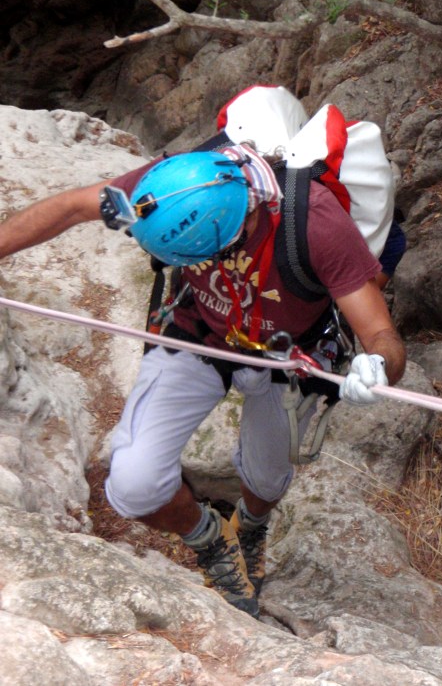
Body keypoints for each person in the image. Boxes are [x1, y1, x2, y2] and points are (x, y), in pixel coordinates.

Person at [0, 139, 406, 619]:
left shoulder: (314, 223)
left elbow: (382, 334)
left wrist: (377, 366)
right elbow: (69, 208)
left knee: (268, 478)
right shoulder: (167, 188)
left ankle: (251, 525)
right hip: (199, 333)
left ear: (241, 225)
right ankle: (212, 540)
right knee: (135, 487)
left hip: (287, 356)